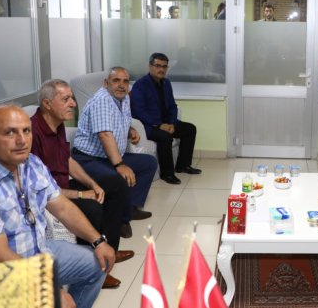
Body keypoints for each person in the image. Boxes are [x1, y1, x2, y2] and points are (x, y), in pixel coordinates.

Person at [0, 105, 116, 308]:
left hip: (38, 251)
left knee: (97, 263)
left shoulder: (31, 163)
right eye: (10, 132)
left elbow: (63, 208)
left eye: (26, 131)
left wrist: (98, 241)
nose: (22, 140)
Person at [31, 79, 135, 289]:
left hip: (63, 186)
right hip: (48, 197)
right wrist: (81, 195)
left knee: (115, 184)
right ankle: (95, 269)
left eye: (72, 98)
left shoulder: (57, 124)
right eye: (66, 99)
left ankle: (110, 249)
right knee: (92, 207)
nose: (73, 104)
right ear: (47, 104)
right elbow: (40, 189)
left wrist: (91, 184)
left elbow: (67, 161)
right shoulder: (32, 133)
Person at [72, 67, 157, 231]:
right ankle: (121, 220)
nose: (121, 85)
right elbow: (104, 134)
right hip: (88, 158)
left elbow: (119, 121)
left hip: (108, 157)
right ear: (106, 83)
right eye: (116, 80)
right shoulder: (102, 101)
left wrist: (129, 130)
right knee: (117, 177)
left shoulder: (124, 99)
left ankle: (131, 208)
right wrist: (120, 165)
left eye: (125, 81)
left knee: (149, 163)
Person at [131, 53, 201, 185]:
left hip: (167, 123)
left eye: (164, 66)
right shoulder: (140, 85)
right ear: (150, 66)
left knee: (190, 129)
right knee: (165, 137)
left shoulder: (166, 83)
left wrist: (172, 123)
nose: (161, 69)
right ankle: (167, 174)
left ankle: (183, 165)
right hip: (149, 126)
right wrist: (159, 125)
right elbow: (138, 112)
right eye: (158, 66)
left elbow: (173, 106)